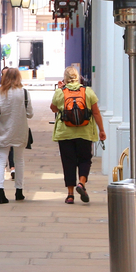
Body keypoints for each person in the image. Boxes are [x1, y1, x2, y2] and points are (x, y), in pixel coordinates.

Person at [50, 66, 106, 204]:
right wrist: (102, 130)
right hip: (85, 132)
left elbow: (53, 108)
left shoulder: (60, 92)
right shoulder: (87, 91)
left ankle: (70, 195)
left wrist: (60, 91)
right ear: (78, 77)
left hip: (65, 133)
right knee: (85, 159)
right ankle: (81, 183)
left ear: (65, 78)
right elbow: (96, 112)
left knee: (68, 162)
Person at [0, 67, 32, 203]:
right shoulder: (24, 93)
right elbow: (30, 113)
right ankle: (19, 191)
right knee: (19, 160)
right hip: (20, 131)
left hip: (4, 131)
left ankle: (0, 190)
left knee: (1, 160)